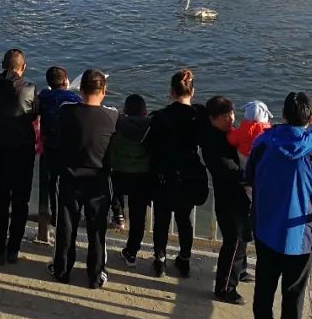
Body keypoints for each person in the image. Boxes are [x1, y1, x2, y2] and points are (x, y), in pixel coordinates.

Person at [247, 92, 312, 319]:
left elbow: (250, 175)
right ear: (311, 119)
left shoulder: (263, 144)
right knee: (294, 293)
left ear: (284, 115)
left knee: (264, 287)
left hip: (265, 230)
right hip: (300, 237)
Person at [49, 70, 118, 289]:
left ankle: (62, 269)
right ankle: (96, 274)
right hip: (98, 180)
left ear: (80, 90)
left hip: (69, 177)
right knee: (97, 229)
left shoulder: (66, 112)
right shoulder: (113, 116)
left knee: (66, 226)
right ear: (104, 91)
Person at [143, 68, 209, 278]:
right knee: (184, 219)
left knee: (162, 220)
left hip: (164, 174)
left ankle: (160, 260)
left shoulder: (161, 117)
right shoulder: (199, 116)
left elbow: (148, 145)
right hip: (189, 174)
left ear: (171, 92)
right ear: (193, 91)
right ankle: (185, 260)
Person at [0, 49, 38, 266]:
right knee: (21, 201)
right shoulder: (30, 89)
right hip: (23, 151)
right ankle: (13, 249)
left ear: (2, 65)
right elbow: (34, 114)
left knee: (1, 199)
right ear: (23, 67)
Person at [201, 96, 252, 305]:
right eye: (225, 116)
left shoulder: (229, 134)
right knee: (233, 240)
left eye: (232, 113)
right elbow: (229, 171)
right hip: (228, 197)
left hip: (239, 196)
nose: (231, 119)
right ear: (213, 119)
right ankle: (224, 287)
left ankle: (240, 271)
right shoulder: (213, 142)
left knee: (243, 236)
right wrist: (252, 176)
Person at [37, 66, 81, 229]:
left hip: (50, 146)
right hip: (69, 148)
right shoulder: (74, 98)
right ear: (65, 81)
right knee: (69, 183)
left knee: (52, 183)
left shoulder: (44, 96)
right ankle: (68, 216)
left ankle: (55, 215)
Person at [111, 94, 152, 266]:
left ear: (126, 109)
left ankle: (118, 215)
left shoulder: (117, 123)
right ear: (145, 111)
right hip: (142, 176)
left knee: (114, 192)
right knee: (138, 217)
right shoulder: (151, 126)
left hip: (119, 172)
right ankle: (131, 252)